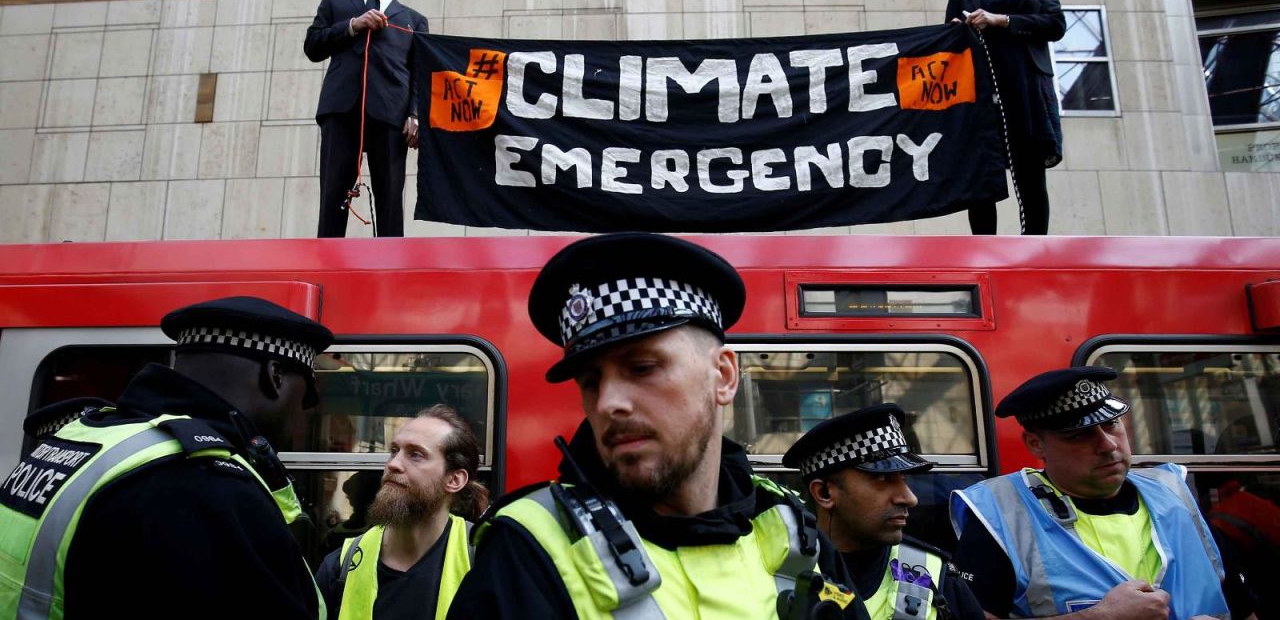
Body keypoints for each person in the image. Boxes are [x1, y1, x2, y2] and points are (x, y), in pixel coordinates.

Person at [448, 232, 871, 619]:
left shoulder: (798, 536)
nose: (608, 403)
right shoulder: (527, 551)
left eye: (643, 367)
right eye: (590, 383)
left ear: (723, 376)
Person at [0, 296, 333, 619]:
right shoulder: (204, 484)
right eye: (308, 394)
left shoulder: (83, 437)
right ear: (274, 376)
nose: (305, 413)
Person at [950, 366, 1257, 620]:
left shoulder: (1174, 493)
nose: (1108, 446)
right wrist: (1102, 616)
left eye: (1112, 425)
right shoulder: (1000, 514)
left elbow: (1242, 608)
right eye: (1080, 435)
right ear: (1035, 444)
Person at [784, 405, 986, 620]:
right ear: (824, 493)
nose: (910, 498)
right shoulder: (779, 571)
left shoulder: (936, 575)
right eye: (882, 479)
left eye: (904, 479)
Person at [945, 0, 1065, 235]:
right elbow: (950, 59)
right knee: (982, 176)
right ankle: (986, 254)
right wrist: (954, 33)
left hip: (1026, 90)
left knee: (1030, 177)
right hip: (982, 97)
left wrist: (1003, 21)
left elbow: (1055, 25)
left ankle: (1034, 250)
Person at [304, 0, 428, 238]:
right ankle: (328, 268)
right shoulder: (334, 4)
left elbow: (419, 73)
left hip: (391, 115)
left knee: (390, 200)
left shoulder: (414, 19)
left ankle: (390, 269)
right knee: (333, 196)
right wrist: (353, 26)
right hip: (341, 110)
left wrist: (415, 114)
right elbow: (313, 46)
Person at [314, 405, 487, 620]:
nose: (393, 464)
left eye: (416, 455)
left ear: (453, 480)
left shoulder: (484, 559)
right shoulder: (341, 566)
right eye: (394, 451)